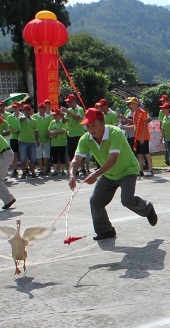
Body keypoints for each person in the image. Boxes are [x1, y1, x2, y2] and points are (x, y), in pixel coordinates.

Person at [68, 108, 158, 241]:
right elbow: (76, 159)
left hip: (127, 171)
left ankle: (147, 208)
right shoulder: (86, 139)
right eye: (88, 126)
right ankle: (106, 230)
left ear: (102, 123)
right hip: (109, 174)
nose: (91, 129)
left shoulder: (115, 133)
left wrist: (96, 174)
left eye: (94, 125)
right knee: (96, 201)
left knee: (127, 201)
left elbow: (113, 158)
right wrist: (71, 175)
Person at [127, 97, 154, 177]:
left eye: (132, 104)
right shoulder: (134, 113)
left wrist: (142, 137)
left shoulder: (142, 112)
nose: (130, 106)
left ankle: (150, 170)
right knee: (139, 154)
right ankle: (140, 170)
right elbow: (135, 126)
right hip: (137, 136)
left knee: (146, 153)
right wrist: (125, 127)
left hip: (143, 136)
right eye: (130, 104)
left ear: (136, 104)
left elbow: (145, 125)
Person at [17, 104, 39, 179]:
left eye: (28, 110)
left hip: (32, 141)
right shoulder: (21, 118)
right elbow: (21, 119)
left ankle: (33, 172)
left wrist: (37, 140)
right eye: (25, 110)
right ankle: (24, 172)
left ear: (31, 111)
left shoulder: (34, 120)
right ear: (23, 111)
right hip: (23, 141)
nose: (27, 111)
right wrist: (25, 116)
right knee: (23, 158)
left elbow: (36, 131)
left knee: (33, 158)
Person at [63, 95, 85, 166]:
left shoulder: (80, 109)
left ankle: (83, 168)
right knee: (71, 153)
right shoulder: (69, 110)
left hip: (79, 134)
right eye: (68, 102)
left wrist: (67, 112)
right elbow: (63, 121)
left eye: (70, 102)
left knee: (80, 152)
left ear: (75, 101)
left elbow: (77, 118)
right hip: (70, 134)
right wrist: (62, 115)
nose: (69, 104)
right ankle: (74, 168)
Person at [48, 110, 68, 175]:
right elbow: (49, 130)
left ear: (60, 115)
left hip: (62, 142)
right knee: (55, 157)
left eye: (56, 115)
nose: (55, 116)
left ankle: (62, 170)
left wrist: (54, 132)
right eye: (54, 115)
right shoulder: (52, 122)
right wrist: (52, 133)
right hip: (54, 143)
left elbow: (63, 130)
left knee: (62, 156)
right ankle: (55, 170)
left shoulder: (63, 122)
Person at [35, 103, 53, 176]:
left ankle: (45, 169)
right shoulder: (35, 116)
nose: (41, 110)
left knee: (46, 156)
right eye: (40, 108)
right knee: (39, 156)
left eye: (43, 108)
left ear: (45, 109)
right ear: (38, 109)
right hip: (38, 139)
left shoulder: (48, 117)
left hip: (46, 139)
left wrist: (49, 133)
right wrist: (36, 138)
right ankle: (41, 169)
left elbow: (50, 127)